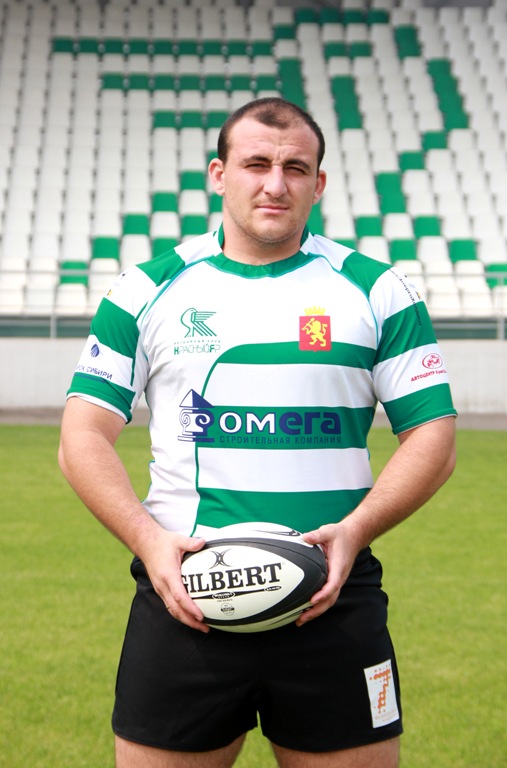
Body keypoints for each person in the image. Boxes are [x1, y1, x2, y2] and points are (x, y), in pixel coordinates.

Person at [59, 97, 457, 768]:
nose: (275, 184)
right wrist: (149, 543)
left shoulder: (377, 289)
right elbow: (82, 437)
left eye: (295, 168)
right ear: (219, 175)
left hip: (333, 596)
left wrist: (354, 531)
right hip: (183, 591)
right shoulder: (145, 289)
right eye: (255, 164)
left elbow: (433, 439)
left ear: (318, 183)